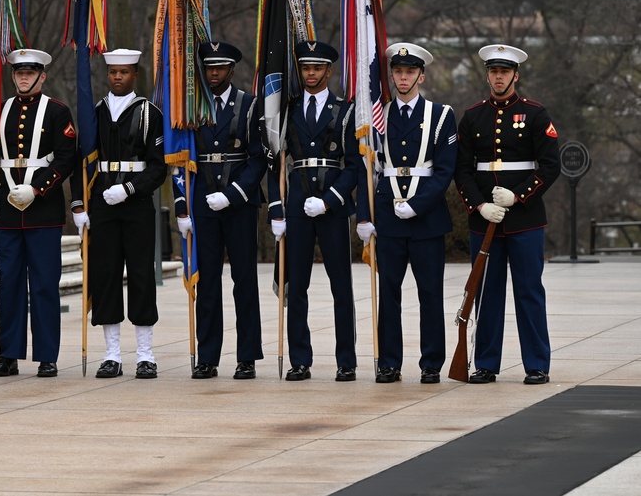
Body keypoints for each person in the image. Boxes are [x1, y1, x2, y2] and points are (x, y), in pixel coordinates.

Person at [455, 44, 560, 385]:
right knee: (486, 292)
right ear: (487, 74)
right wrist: (479, 205)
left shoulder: (535, 113)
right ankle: (486, 363)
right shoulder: (472, 116)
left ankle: (537, 363)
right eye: (493, 71)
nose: (498, 77)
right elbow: (462, 169)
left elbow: (550, 165)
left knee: (528, 290)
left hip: (525, 219)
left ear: (516, 75)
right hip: (485, 219)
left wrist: (518, 195)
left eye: (504, 72)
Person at [355, 43, 457, 384]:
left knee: (430, 294)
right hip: (387, 216)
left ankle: (431, 363)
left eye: (410, 71)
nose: (403, 77)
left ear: (421, 75)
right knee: (390, 295)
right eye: (398, 71)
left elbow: (444, 170)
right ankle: (389, 362)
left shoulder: (441, 116)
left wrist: (417, 204)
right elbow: (367, 168)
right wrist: (364, 216)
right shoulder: (377, 117)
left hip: (426, 218)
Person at [0, 49, 78, 378]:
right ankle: (9, 354)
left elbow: (66, 159)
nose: (23, 77)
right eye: (18, 72)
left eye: (29, 72)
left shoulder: (58, 112)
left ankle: (47, 354)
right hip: (6, 211)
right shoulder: (0, 110)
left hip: (43, 211)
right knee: (9, 286)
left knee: (45, 285)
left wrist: (36, 189)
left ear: (42, 76)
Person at [71, 49, 167, 379]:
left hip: (136, 204)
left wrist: (129, 189)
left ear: (134, 76)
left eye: (124, 72)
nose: (117, 77)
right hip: (102, 205)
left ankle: (145, 354)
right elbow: (80, 162)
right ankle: (112, 354)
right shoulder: (93, 113)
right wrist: (78, 205)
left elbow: (158, 168)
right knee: (106, 276)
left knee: (141, 276)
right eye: (113, 72)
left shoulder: (149, 114)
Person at [267, 40, 360, 382]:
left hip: (332, 205)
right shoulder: (287, 110)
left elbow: (354, 166)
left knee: (341, 286)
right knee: (297, 285)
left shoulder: (344, 110)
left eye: (317, 68)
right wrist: (277, 209)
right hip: (297, 204)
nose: (310, 73)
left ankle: (346, 360)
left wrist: (331, 198)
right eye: (306, 68)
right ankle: (300, 359)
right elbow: (274, 162)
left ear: (329, 71)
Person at [174, 40, 265, 380]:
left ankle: (247, 357)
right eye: (209, 67)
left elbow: (259, 159)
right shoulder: (190, 109)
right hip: (202, 204)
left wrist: (234, 193)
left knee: (244, 280)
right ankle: (208, 356)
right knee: (208, 281)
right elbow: (179, 159)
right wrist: (183, 206)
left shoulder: (249, 105)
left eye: (220, 67)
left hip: (238, 204)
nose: (213, 73)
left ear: (231, 69)